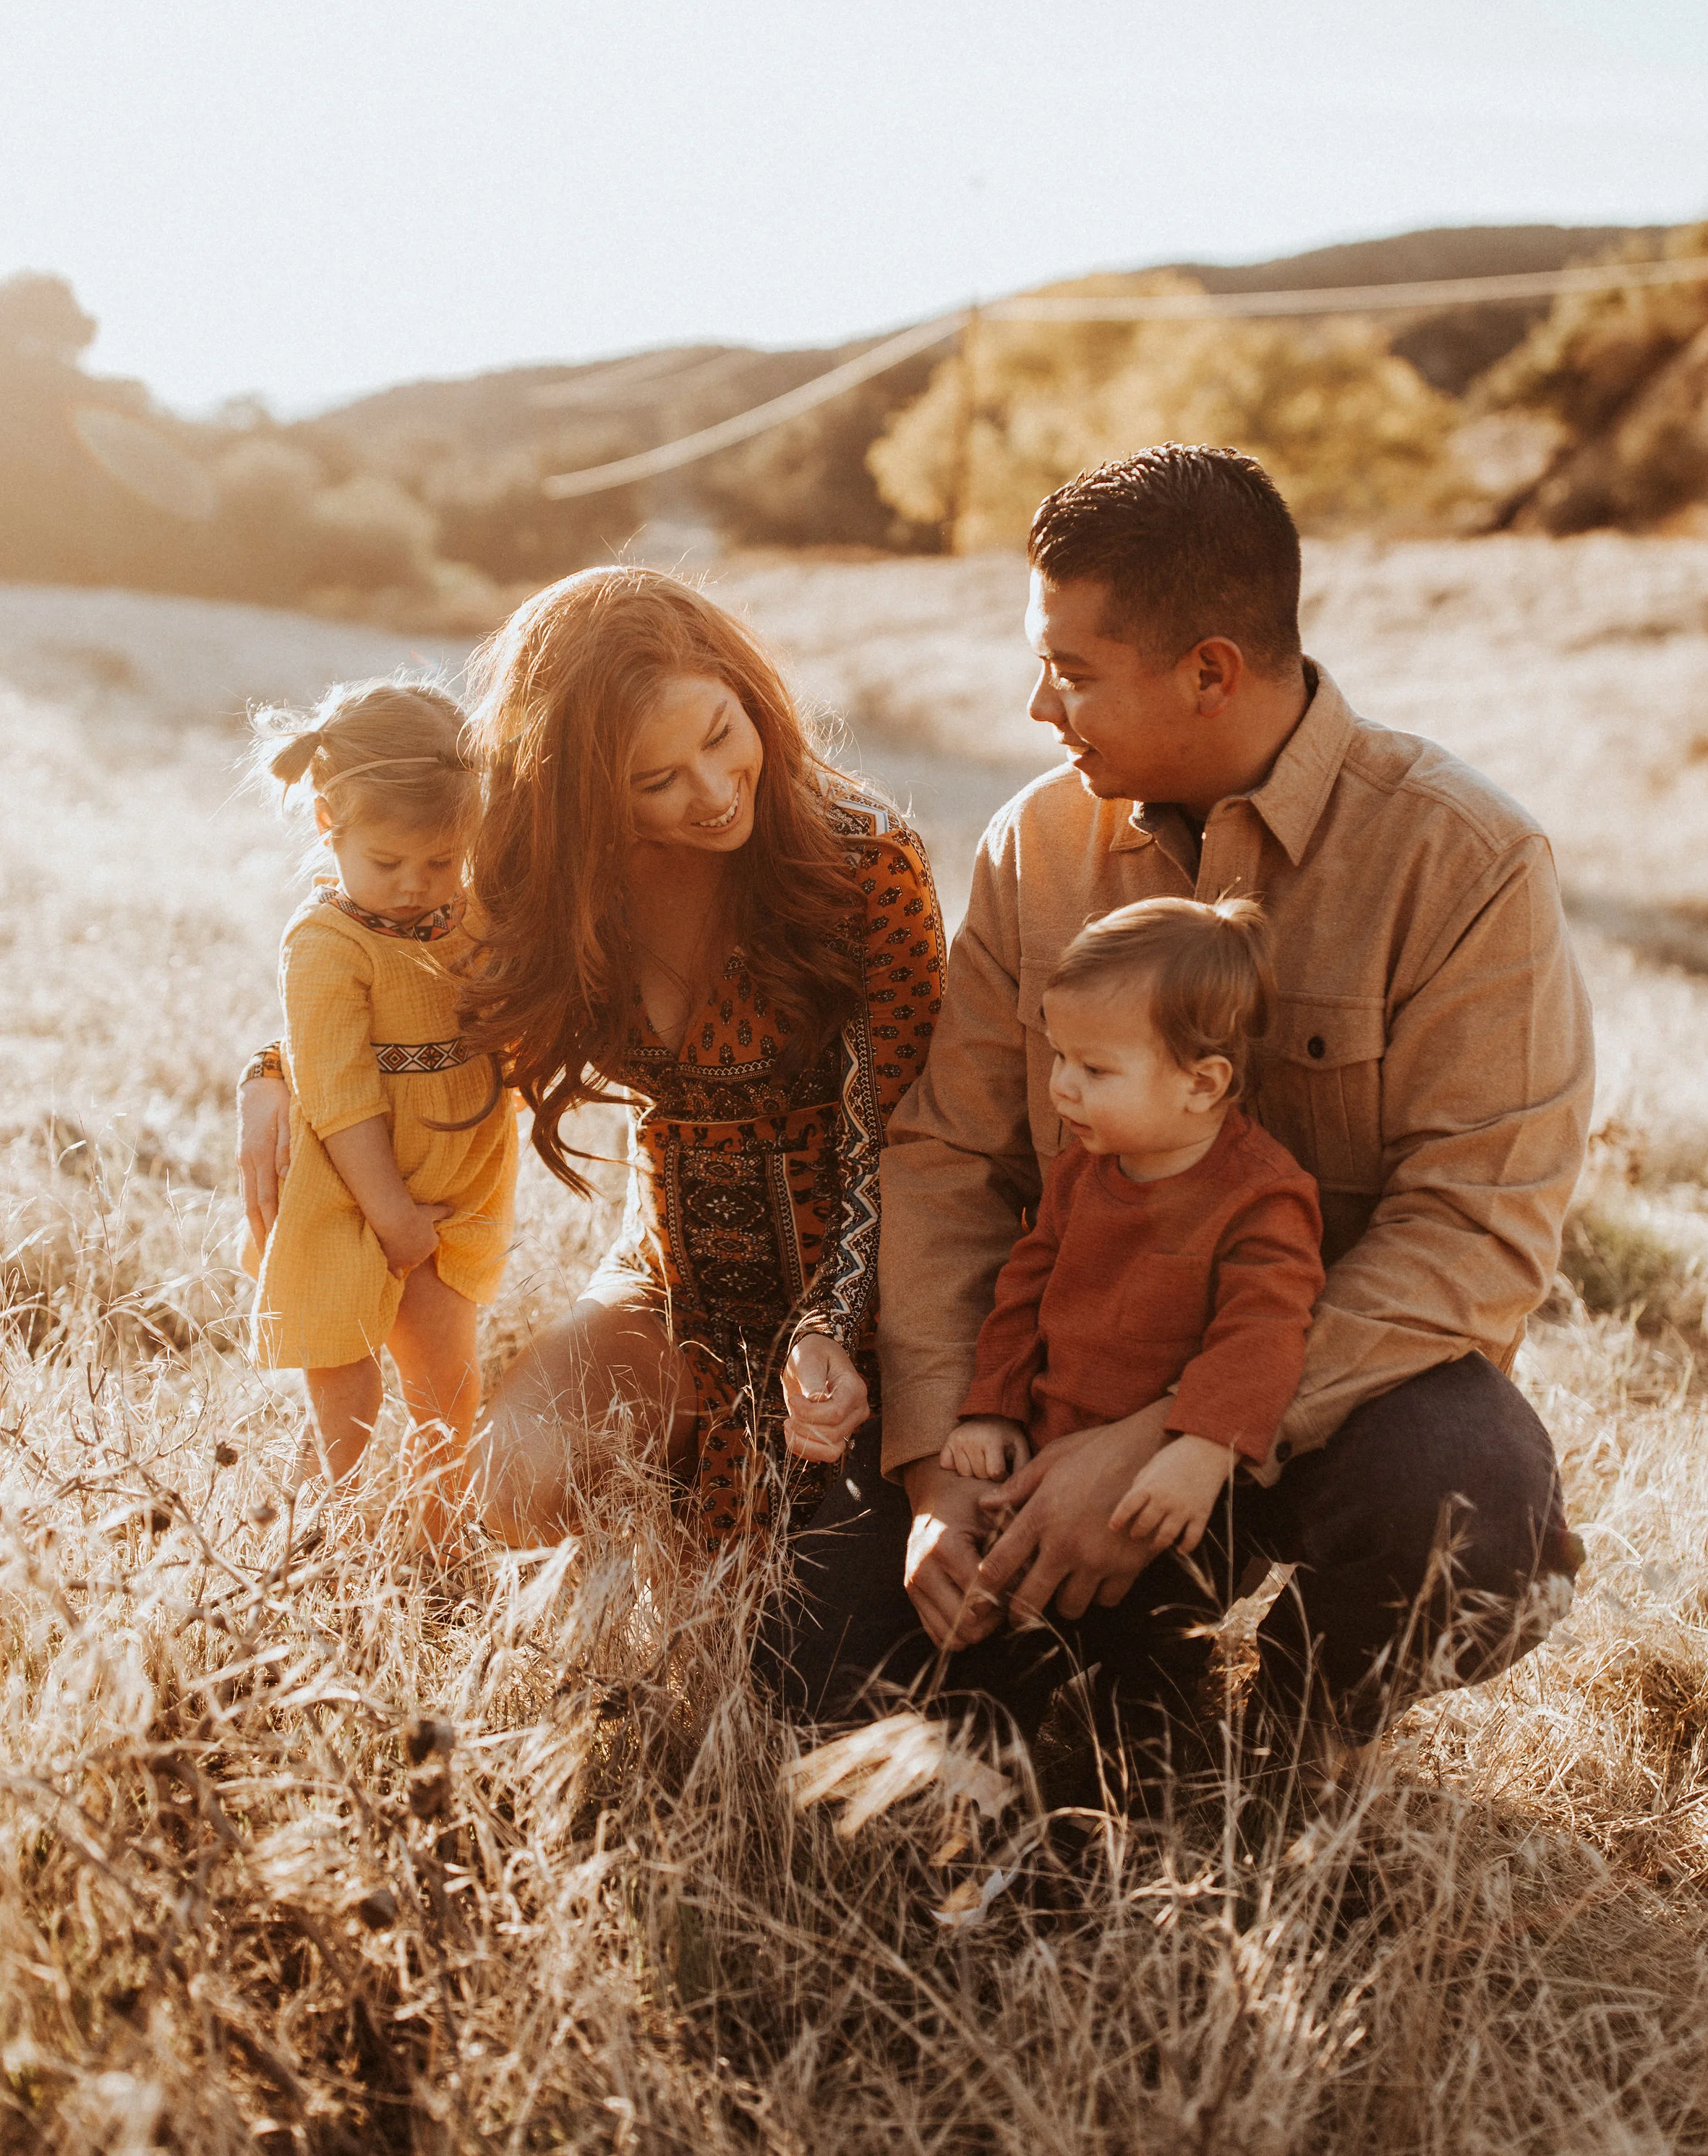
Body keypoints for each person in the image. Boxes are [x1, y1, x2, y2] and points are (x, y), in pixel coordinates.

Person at [774, 443, 1595, 1757]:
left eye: (1073, 670)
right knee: (818, 1678)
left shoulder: (1466, 860)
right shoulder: (1035, 844)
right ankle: (1109, 1690)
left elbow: (1475, 1232)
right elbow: (948, 1157)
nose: (1040, 706)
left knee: (1471, 1516)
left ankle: (1275, 1747)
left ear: (1211, 671)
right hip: (1053, 1396)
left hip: (1323, 1401)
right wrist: (939, 1462)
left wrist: (1182, 1434)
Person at [236, 569, 945, 1552]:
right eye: (656, 781)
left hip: (852, 1304)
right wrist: (273, 1072)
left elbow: (900, 1142)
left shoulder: (863, 863)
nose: (712, 793)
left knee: (806, 1603)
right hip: (666, 1288)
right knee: (507, 1484)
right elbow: (386, 964)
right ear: (584, 789)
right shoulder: (549, 876)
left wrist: (832, 1322)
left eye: (721, 735)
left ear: (749, 695)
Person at [940, 895, 1325, 1569]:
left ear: (1202, 1084)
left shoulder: (1261, 1198)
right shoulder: (1082, 1170)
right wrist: (994, 1406)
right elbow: (1026, 1288)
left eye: (1095, 1069)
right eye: (1059, 1056)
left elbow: (1264, 1333)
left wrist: (1205, 1447)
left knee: (1135, 1630)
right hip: (1042, 1451)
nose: (1062, 1087)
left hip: (1163, 1494)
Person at [241, 679, 518, 1559]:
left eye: (440, 861)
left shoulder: (473, 914)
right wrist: (392, 1215)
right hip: (348, 1186)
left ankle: (436, 1540)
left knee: (447, 1375)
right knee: (346, 1370)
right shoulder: (326, 943)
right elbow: (339, 1094)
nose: (413, 887)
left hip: (455, 1186)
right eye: (388, 861)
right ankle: (346, 1531)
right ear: (329, 822)